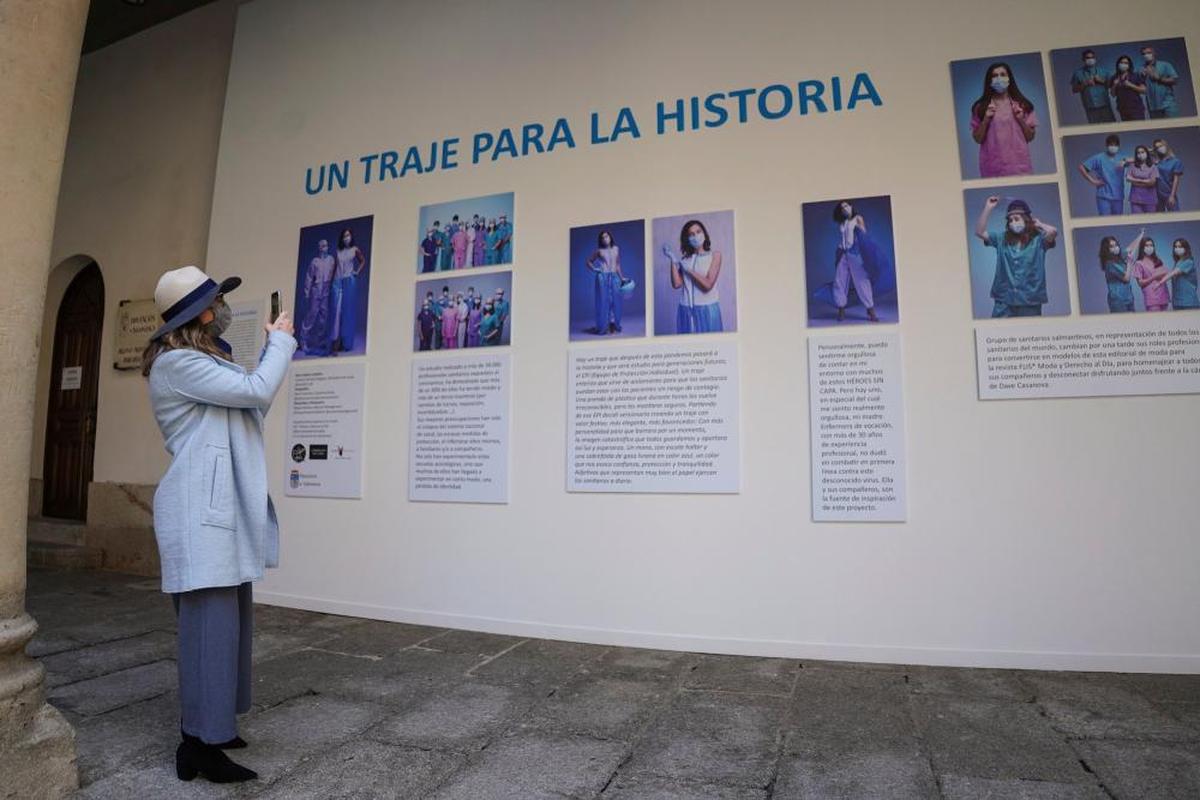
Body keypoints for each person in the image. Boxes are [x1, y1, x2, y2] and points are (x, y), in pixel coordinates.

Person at [141, 265, 296, 784]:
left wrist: (270, 354)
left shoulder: (204, 360)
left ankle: (217, 724)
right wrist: (280, 343)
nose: (223, 309)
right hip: (199, 509)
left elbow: (251, 396)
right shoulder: (177, 362)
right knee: (208, 628)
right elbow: (257, 390)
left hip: (219, 505)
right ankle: (198, 747)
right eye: (217, 302)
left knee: (228, 625)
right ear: (200, 313)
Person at [974, 196, 1058, 317]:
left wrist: (1039, 224)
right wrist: (988, 208)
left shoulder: (1039, 240)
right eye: (1011, 220)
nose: (1013, 222)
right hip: (1004, 300)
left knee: (1030, 335)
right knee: (998, 334)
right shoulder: (1001, 238)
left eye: (1017, 219)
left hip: (1030, 301)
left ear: (1026, 219)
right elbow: (979, 232)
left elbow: (1053, 232)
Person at [970, 62, 1038, 178]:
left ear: (1009, 78)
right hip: (993, 167)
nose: (999, 78)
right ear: (989, 81)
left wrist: (1021, 120)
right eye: (995, 76)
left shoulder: (1023, 105)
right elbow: (978, 139)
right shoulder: (980, 107)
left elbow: (1030, 137)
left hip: (1019, 166)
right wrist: (986, 119)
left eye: (1002, 74)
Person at [661, 219, 724, 333]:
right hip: (685, 310)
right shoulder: (685, 259)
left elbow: (708, 285)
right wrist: (672, 259)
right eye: (691, 234)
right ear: (687, 239)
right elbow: (677, 284)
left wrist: (689, 270)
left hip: (707, 309)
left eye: (698, 232)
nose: (696, 236)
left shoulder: (715, 256)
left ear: (704, 233)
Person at [830, 200, 879, 322]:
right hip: (842, 252)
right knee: (839, 280)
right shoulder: (843, 222)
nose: (844, 208)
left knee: (862, 280)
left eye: (846, 205)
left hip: (854, 252)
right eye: (842, 208)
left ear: (851, 206)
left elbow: (864, 234)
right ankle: (841, 308)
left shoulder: (857, 218)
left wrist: (859, 229)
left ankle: (870, 308)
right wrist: (839, 251)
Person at [330, 228, 366, 353]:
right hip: (337, 281)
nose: (346, 237)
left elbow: (362, 261)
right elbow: (335, 267)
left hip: (349, 281)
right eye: (344, 235)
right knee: (337, 312)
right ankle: (336, 340)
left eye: (348, 235)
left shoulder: (355, 249)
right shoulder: (338, 251)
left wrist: (357, 272)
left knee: (348, 312)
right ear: (342, 238)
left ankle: (346, 342)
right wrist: (331, 282)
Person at [585, 229, 628, 334]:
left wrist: (621, 278)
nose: (605, 239)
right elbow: (588, 261)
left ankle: (614, 324)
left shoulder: (616, 249)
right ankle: (603, 326)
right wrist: (595, 269)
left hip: (614, 277)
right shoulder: (599, 251)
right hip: (602, 277)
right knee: (603, 301)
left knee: (615, 301)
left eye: (607, 236)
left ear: (610, 237)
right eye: (603, 237)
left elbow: (617, 265)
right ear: (601, 240)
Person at [300, 238, 335, 354]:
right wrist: (306, 291)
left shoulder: (331, 260)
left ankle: (320, 342)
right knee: (311, 315)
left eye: (326, 245)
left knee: (323, 317)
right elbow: (309, 277)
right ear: (319, 248)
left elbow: (334, 274)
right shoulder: (314, 261)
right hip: (316, 289)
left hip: (327, 289)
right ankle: (303, 341)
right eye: (323, 246)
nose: (325, 247)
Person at [1079, 134, 1128, 216]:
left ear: (1118, 146)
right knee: (1105, 222)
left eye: (1115, 145)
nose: (1113, 147)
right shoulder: (1099, 158)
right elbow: (1081, 167)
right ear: (1106, 145)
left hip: (1118, 196)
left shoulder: (1122, 158)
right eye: (1111, 145)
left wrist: (1126, 160)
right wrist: (1093, 181)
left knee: (1118, 222)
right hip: (1103, 196)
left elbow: (1138, 160)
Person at [1070, 49, 1115, 123]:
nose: (1090, 59)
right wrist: (1085, 84)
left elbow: (1112, 86)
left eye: (1092, 57)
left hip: (1105, 105)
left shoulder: (1104, 71)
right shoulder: (1077, 73)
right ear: (1083, 59)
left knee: (1111, 125)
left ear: (1095, 59)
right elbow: (1074, 90)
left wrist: (1102, 81)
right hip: (1090, 107)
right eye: (1088, 58)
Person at [1132, 234, 1170, 311]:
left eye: (1151, 245)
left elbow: (1164, 274)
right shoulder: (1139, 263)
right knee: (1155, 321)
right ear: (1142, 248)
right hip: (1152, 298)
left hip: (1163, 295)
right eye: (1147, 245)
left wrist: (1165, 273)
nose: (1149, 247)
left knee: (1165, 321)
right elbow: (1140, 283)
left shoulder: (1157, 260)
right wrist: (1154, 277)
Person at [1097, 235, 1135, 313]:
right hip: (1118, 301)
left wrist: (1141, 235)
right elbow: (1126, 279)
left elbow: (1131, 248)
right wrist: (1130, 263)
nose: (1115, 248)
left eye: (1116, 245)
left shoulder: (1120, 258)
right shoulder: (1109, 264)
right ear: (1106, 249)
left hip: (1128, 298)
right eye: (1111, 246)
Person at [1140, 45, 1180, 119]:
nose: (1146, 55)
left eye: (1148, 52)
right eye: (1144, 54)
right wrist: (1142, 77)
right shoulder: (1142, 69)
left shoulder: (1165, 65)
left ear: (1154, 53)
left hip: (1168, 104)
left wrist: (1159, 79)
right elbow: (1141, 88)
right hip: (1153, 107)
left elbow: (1175, 80)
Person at [1110, 55, 1147, 121]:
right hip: (1123, 110)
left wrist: (1131, 85)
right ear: (1118, 64)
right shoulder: (1114, 77)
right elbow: (1113, 95)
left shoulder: (1135, 75)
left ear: (1129, 65)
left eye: (1126, 63)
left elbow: (1144, 90)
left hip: (1136, 109)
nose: (1123, 64)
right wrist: (1114, 85)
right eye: (1121, 62)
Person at [1163, 238, 1198, 310]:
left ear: (1186, 248)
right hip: (1177, 302)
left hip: (1189, 302)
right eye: (1175, 247)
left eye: (1180, 247)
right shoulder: (1177, 263)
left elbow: (1173, 273)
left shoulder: (1189, 262)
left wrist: (1159, 283)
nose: (1177, 249)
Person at [1152, 137, 1184, 212]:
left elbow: (1176, 180)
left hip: (1169, 193)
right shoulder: (1156, 162)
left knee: (1175, 216)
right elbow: (1138, 158)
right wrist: (1151, 150)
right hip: (1156, 194)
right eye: (1157, 147)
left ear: (1166, 146)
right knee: (1158, 218)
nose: (1159, 148)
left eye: (1161, 146)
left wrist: (1172, 196)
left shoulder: (1176, 161)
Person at [1126, 145, 1160, 214]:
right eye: (1138, 153)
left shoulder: (1153, 167)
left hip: (1150, 200)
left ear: (1147, 153)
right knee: (1137, 221)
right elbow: (1128, 178)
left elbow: (1152, 183)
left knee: (1150, 222)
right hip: (1135, 199)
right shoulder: (1133, 166)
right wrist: (1145, 181)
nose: (1140, 154)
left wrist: (1135, 180)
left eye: (1142, 152)